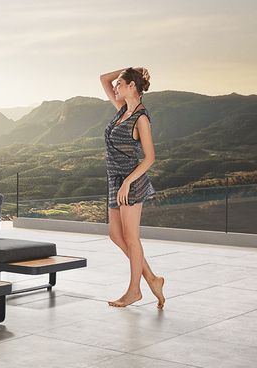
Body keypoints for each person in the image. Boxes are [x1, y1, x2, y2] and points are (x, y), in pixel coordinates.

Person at [100, 67, 165, 308]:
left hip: (131, 182)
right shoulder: (122, 111)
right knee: (116, 235)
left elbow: (149, 158)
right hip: (114, 181)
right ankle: (152, 278)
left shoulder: (141, 118)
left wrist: (127, 182)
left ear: (131, 87)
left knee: (131, 237)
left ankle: (135, 290)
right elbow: (102, 79)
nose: (115, 87)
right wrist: (132, 68)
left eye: (120, 84)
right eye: (116, 85)